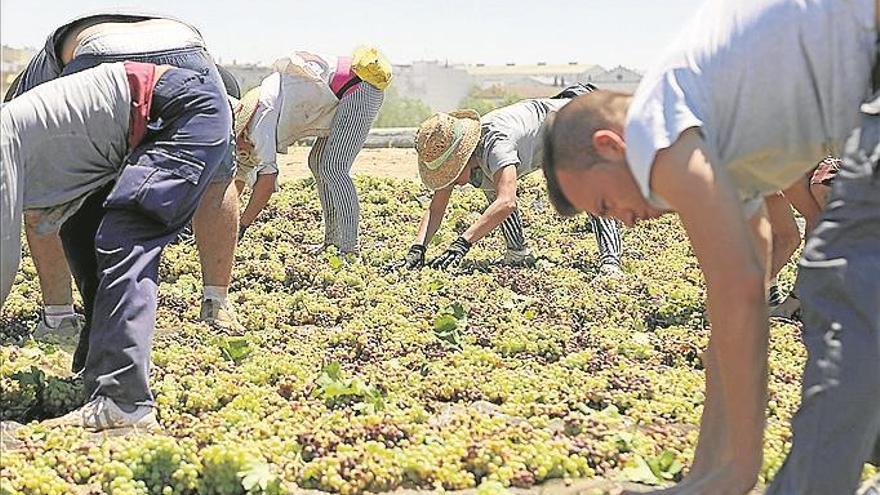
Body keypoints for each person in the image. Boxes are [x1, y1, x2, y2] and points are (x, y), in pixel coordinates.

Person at [542, 0, 878, 493]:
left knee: (840, 277)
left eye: (605, 204)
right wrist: (706, 472)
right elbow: (747, 281)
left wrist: (737, 474)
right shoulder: (715, 133)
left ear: (611, 147)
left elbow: (739, 288)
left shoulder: (652, 128)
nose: (623, 221)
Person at [4, 12, 244, 368]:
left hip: (100, 54)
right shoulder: (208, 67)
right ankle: (217, 303)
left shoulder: (29, 92)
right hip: (190, 54)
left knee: (48, 193)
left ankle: (59, 317)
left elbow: (35, 193)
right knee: (216, 183)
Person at [1, 61, 232, 430]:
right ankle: (96, 372)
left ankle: (123, 402)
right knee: (82, 240)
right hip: (138, 126)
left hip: (179, 111)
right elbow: (40, 221)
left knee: (125, 237)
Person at [403, 98, 623, 272]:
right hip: (539, 143)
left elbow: (507, 201)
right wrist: (418, 248)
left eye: (450, 174)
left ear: (461, 159)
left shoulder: (497, 144)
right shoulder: (461, 154)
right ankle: (518, 252)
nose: (450, 183)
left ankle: (610, 261)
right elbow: (436, 209)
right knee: (489, 185)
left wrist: (462, 244)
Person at [233, 48, 391, 253]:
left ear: (241, 133)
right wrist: (224, 215)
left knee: (334, 168)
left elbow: (267, 184)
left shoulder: (259, 126)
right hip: (342, 89)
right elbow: (241, 173)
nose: (240, 152)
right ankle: (332, 241)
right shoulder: (251, 118)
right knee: (317, 162)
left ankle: (350, 248)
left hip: (360, 87)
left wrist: (241, 227)